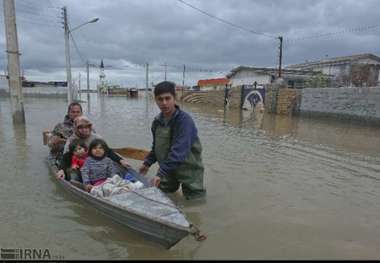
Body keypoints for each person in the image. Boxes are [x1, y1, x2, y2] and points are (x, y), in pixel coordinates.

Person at [139, 81, 206, 200]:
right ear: (155, 100)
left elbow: (179, 151)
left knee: (195, 201)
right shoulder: (157, 122)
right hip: (167, 168)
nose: (164, 103)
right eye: (160, 99)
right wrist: (147, 163)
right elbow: (156, 147)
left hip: (188, 168)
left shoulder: (184, 121)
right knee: (164, 195)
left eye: (167, 98)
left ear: (174, 98)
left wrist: (160, 173)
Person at [57, 116, 130, 179]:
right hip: (79, 166)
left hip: (96, 163)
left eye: (87, 127)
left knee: (112, 165)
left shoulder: (96, 138)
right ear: (76, 128)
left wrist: (121, 160)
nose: (84, 129)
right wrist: (61, 170)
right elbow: (66, 158)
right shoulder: (72, 140)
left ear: (90, 127)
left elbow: (107, 151)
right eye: (81, 127)